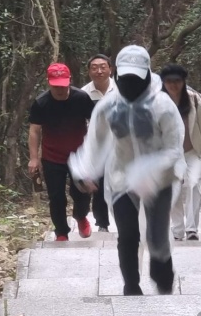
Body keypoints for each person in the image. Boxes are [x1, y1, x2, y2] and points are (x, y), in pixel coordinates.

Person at [69, 46, 186, 296]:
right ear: (117, 75)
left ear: (147, 74)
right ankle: (131, 285)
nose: (131, 84)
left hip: (159, 179)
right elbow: (95, 143)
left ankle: (162, 276)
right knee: (128, 234)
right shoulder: (109, 107)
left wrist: (150, 170)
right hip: (121, 177)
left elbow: (174, 149)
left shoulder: (163, 106)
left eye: (136, 78)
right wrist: (83, 170)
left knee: (156, 236)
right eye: (126, 77)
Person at [28, 63, 95, 241]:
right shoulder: (41, 102)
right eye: (56, 85)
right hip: (52, 156)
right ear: (48, 82)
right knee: (56, 196)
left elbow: (96, 123)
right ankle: (62, 232)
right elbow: (34, 131)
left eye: (63, 85)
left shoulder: (81, 98)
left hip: (79, 156)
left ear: (69, 81)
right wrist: (34, 158)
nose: (59, 89)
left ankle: (80, 216)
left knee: (82, 192)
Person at [160, 64, 201, 241]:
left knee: (194, 183)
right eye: (169, 81)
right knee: (174, 189)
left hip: (194, 150)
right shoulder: (157, 101)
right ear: (163, 82)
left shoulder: (193, 99)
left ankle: (192, 228)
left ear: (183, 81)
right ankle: (177, 229)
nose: (173, 85)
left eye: (177, 81)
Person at [81, 54, 118, 232]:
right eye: (94, 67)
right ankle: (102, 223)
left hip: (120, 145)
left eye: (103, 67)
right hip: (96, 147)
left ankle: (125, 220)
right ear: (89, 71)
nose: (99, 71)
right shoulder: (83, 93)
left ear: (111, 69)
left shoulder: (120, 90)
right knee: (100, 185)